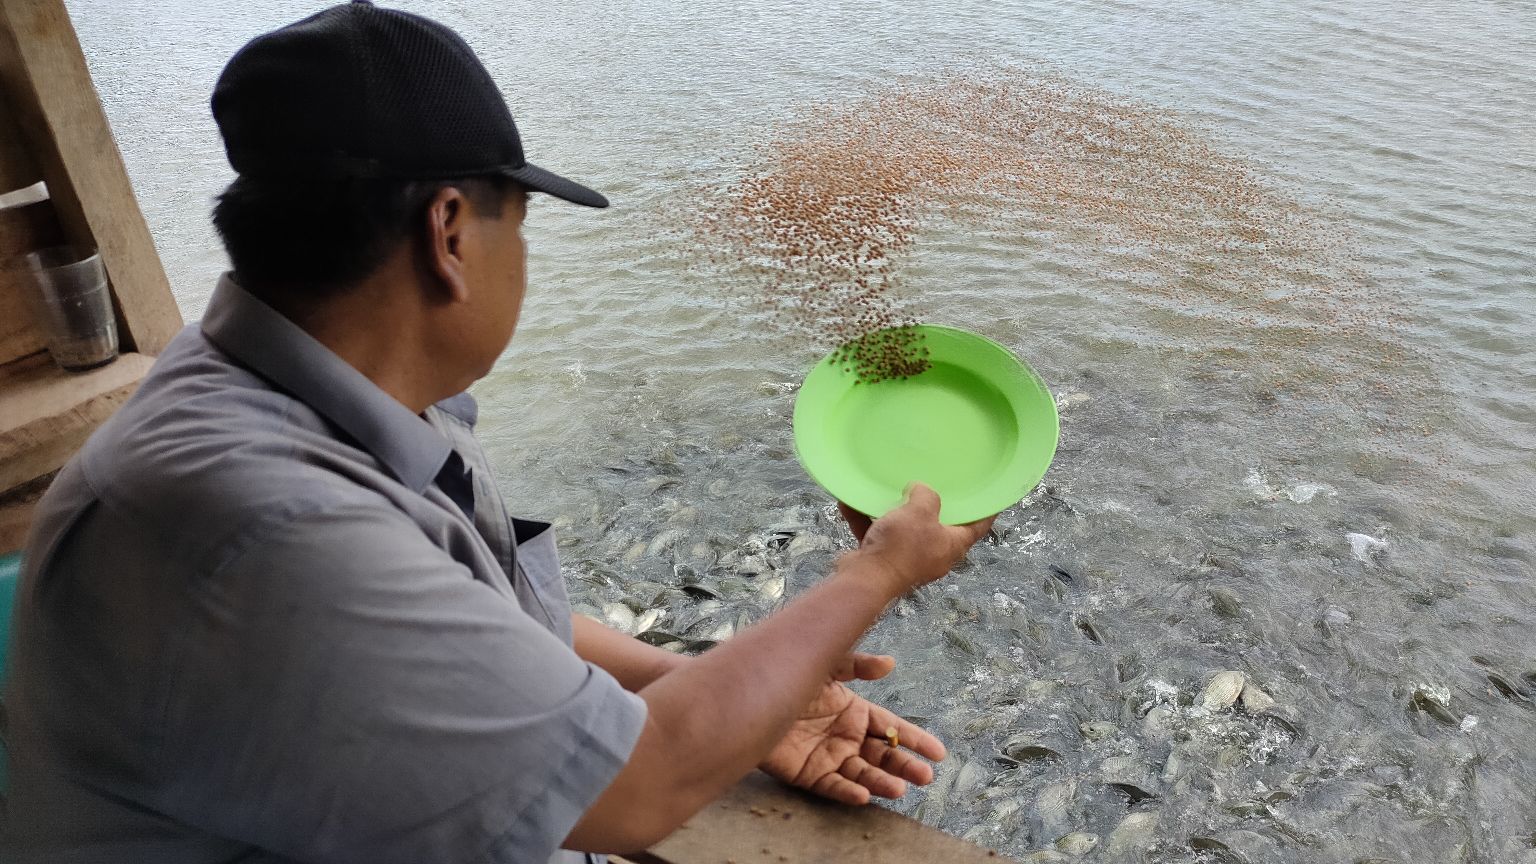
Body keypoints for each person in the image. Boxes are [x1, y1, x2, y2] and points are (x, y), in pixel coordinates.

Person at [0, 2, 996, 862]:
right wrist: (877, 570)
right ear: (448, 234)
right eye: (517, 220)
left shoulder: (276, 395)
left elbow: (449, 630)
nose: (521, 255)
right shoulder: (264, 523)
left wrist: (696, 687)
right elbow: (639, 789)